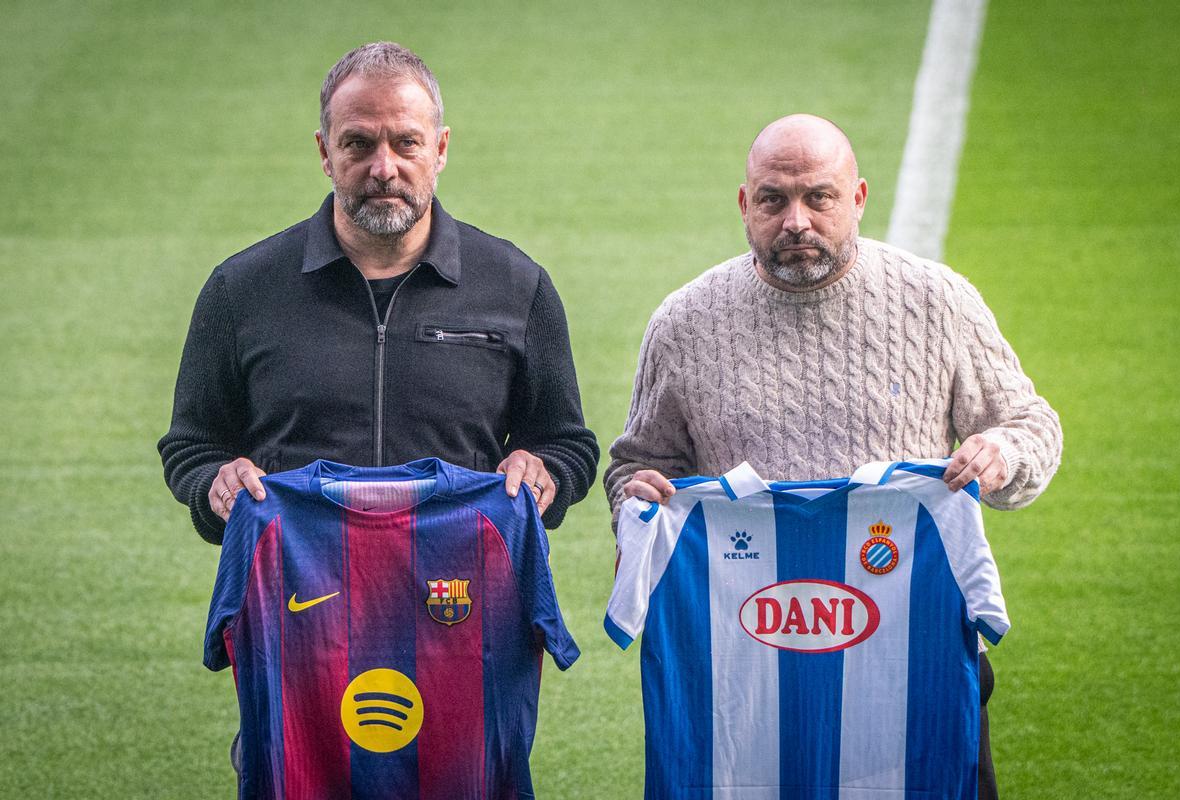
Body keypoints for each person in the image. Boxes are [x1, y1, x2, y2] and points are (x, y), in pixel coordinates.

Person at [604, 114, 1062, 799]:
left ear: (858, 198)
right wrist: (633, 501)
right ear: (743, 204)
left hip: (918, 669)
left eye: (818, 197)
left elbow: (1032, 424)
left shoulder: (938, 302)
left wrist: (1002, 452)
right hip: (747, 689)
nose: (795, 220)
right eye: (772, 199)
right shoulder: (685, 321)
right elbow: (638, 464)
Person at [159, 41, 598, 543]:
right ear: (325, 152)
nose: (384, 168)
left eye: (406, 143)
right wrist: (216, 484)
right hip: (296, 590)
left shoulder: (517, 285)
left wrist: (543, 472)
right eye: (358, 144)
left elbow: (566, 443)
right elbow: (192, 446)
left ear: (441, 148)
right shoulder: (239, 290)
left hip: (461, 593)